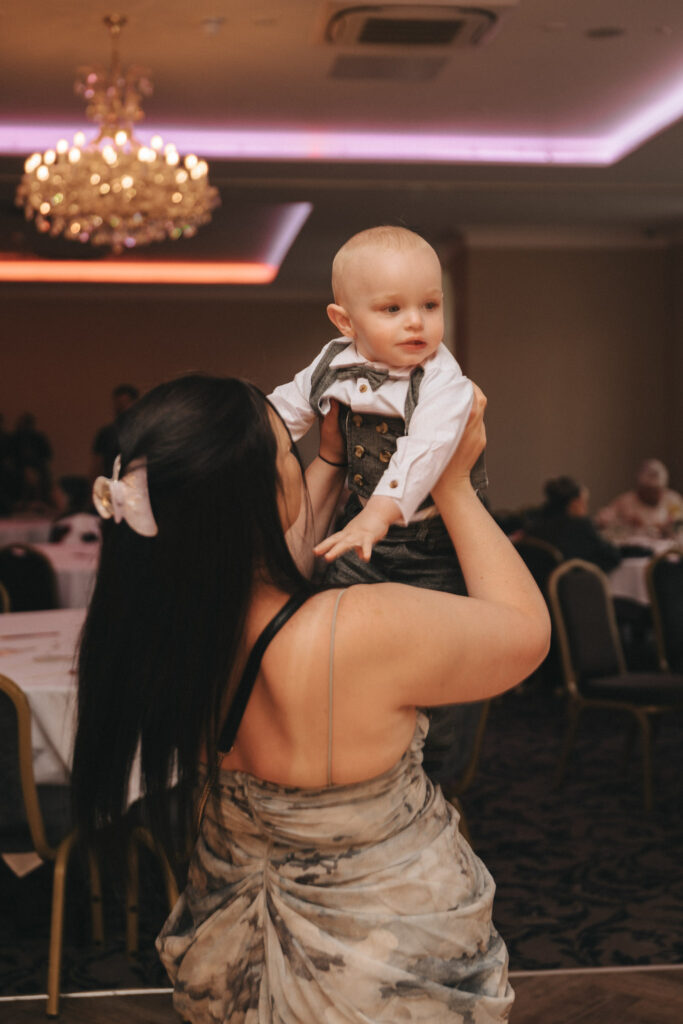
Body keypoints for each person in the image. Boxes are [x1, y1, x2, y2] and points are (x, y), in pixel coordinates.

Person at [71, 373, 550, 1023]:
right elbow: (525, 635)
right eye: (284, 451)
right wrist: (450, 482)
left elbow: (272, 565)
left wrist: (324, 460)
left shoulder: (171, 629)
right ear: (260, 492)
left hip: (232, 951)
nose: (297, 460)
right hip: (373, 966)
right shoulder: (352, 630)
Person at [269, 225, 486, 581]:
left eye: (430, 305)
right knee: (332, 602)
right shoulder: (333, 361)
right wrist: (247, 438)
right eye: (393, 308)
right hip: (362, 523)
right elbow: (283, 411)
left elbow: (425, 447)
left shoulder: (442, 379)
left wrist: (376, 517)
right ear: (345, 322)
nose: (416, 321)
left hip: (431, 540)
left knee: (437, 622)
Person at [525, 476, 622, 572]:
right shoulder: (580, 526)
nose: (586, 508)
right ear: (574, 504)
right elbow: (612, 556)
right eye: (584, 503)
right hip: (568, 584)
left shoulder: (534, 522)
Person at [596, 459, 683, 539]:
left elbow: (678, 524)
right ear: (640, 488)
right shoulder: (626, 501)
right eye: (648, 490)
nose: (652, 495)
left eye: (656, 491)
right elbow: (603, 520)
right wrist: (624, 523)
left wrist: (668, 526)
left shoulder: (673, 500)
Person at [91, 384, 139, 479]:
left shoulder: (142, 431)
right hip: (112, 483)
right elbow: (97, 464)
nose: (122, 408)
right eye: (119, 404)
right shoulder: (107, 433)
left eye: (125, 403)